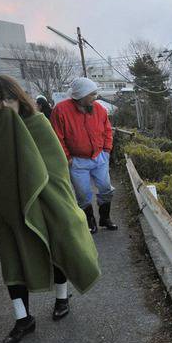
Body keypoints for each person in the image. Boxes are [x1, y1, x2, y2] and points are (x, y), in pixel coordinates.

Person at [0, 76, 101, 343]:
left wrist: (47, 195)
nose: (5, 105)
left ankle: (62, 297)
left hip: (45, 199)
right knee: (13, 259)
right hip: (6, 204)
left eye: (10, 98)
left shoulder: (38, 124)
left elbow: (56, 167)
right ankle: (23, 319)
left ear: (20, 99)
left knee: (55, 246)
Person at [50, 77, 117, 233]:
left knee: (106, 188)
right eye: (92, 94)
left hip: (99, 157)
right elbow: (56, 136)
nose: (95, 97)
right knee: (83, 193)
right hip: (77, 161)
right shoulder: (61, 110)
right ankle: (89, 222)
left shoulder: (99, 109)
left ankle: (105, 218)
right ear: (80, 95)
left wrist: (107, 150)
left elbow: (107, 130)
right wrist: (67, 157)